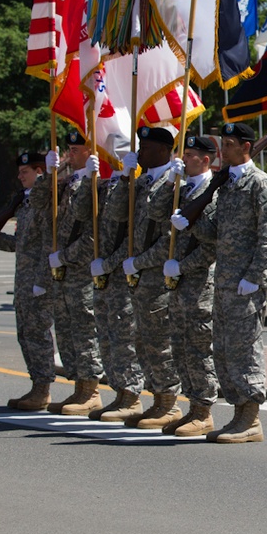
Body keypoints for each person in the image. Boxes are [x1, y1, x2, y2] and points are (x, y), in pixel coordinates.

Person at [173, 122, 267, 444]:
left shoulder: (260, 184)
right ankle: (237, 415)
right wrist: (190, 222)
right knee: (222, 351)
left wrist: (254, 277)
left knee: (244, 350)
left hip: (245, 285)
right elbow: (214, 232)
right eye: (223, 142)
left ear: (246, 147)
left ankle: (251, 420)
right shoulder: (227, 185)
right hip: (223, 283)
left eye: (230, 143)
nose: (224, 148)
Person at [118, 125, 184, 429]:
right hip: (140, 275)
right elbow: (115, 215)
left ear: (162, 150)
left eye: (145, 148)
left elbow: (169, 237)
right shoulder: (141, 181)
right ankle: (157, 398)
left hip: (158, 274)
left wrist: (140, 262)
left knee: (160, 341)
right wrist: (123, 177)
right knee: (142, 340)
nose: (140, 153)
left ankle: (169, 403)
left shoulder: (176, 182)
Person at [0, 152, 55, 411]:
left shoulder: (46, 202)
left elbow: (49, 244)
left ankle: (43, 388)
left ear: (39, 171)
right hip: (23, 280)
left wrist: (43, 280)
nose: (19, 176)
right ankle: (36, 385)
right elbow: (24, 244)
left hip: (37, 279)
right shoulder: (23, 203)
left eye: (25, 171)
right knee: (24, 334)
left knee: (38, 333)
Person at [159, 135, 220, 436]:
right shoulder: (182, 190)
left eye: (191, 154)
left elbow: (212, 245)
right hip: (178, 282)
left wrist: (183, 266)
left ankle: (204, 410)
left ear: (206, 160)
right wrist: (169, 181)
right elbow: (154, 213)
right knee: (179, 345)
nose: (185, 158)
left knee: (198, 346)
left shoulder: (214, 192)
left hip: (199, 281)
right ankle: (192, 404)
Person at [41, 130, 104, 415]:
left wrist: (64, 257)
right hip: (63, 269)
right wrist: (48, 172)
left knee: (84, 329)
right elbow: (40, 204)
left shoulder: (95, 184)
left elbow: (92, 234)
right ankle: (78, 385)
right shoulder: (65, 182)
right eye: (70, 149)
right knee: (66, 330)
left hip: (79, 270)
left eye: (77, 150)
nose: (71, 154)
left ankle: (91, 390)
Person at [87, 164, 146, 422]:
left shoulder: (137, 185)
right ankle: (120, 392)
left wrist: (109, 264)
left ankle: (132, 395)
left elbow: (133, 236)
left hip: (122, 274)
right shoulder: (105, 186)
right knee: (107, 336)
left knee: (124, 336)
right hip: (104, 273)